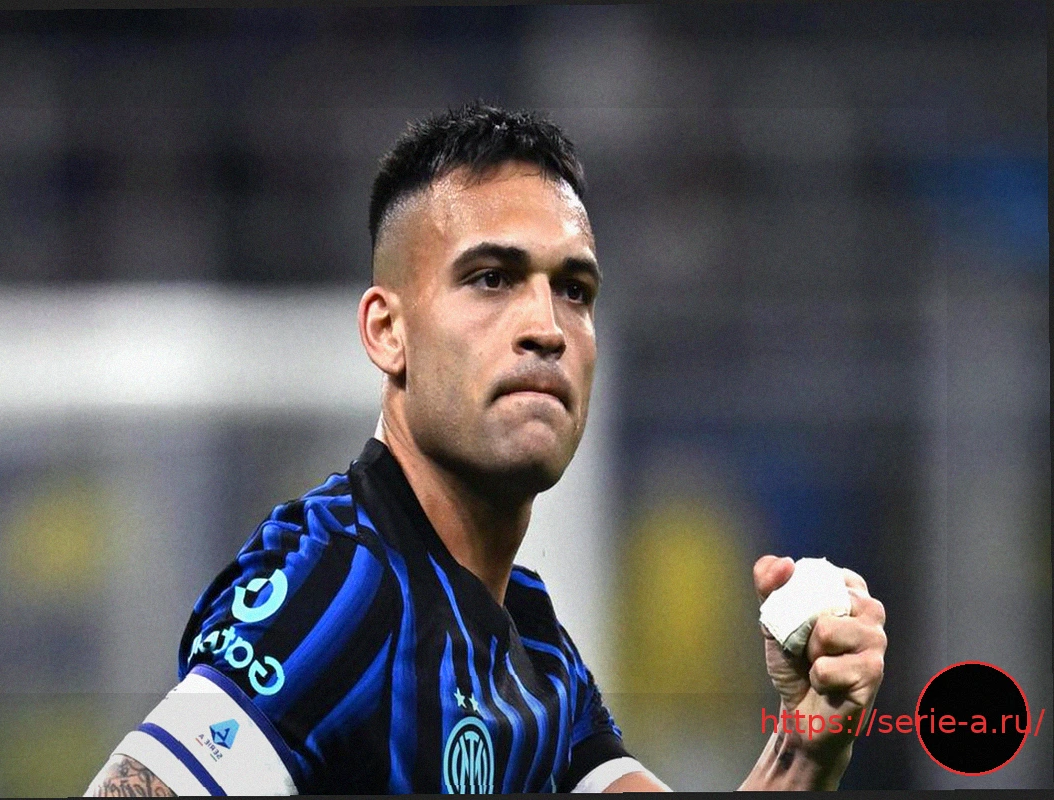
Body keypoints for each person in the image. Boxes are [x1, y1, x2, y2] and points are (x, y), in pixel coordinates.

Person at [86, 102, 887, 795]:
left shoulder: (531, 642)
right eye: (492, 279)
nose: (547, 327)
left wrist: (804, 748)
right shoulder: (339, 597)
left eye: (574, 290)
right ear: (388, 331)